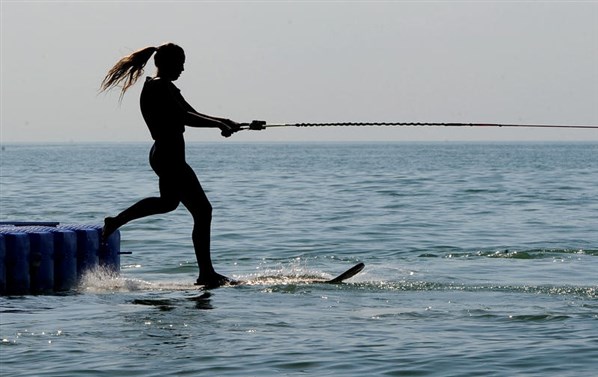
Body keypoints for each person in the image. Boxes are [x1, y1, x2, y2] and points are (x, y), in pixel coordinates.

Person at [99, 43, 241, 288]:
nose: (183, 68)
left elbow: (192, 113)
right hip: (168, 154)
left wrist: (224, 121)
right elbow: (185, 117)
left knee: (168, 203)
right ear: (166, 63)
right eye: (180, 63)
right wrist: (219, 125)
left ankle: (115, 221)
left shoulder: (165, 87)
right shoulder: (158, 87)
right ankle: (206, 273)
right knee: (203, 211)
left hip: (167, 153)